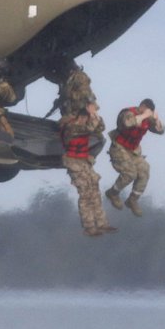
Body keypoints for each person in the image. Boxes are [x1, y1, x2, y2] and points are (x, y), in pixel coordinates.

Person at [59, 101, 115, 237]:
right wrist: (92, 116)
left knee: (95, 190)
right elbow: (89, 129)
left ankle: (102, 224)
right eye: (86, 118)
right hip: (73, 162)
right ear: (81, 117)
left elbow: (101, 127)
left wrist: (95, 114)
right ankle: (89, 227)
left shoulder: (85, 124)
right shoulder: (71, 127)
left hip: (84, 161)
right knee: (85, 194)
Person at [105, 98, 165, 217]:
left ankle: (132, 200)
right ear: (142, 106)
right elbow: (128, 123)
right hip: (119, 148)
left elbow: (160, 131)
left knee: (145, 170)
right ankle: (113, 193)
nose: (148, 114)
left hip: (133, 151)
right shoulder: (128, 113)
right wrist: (143, 115)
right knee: (130, 173)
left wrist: (157, 120)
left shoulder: (147, 119)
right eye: (147, 110)